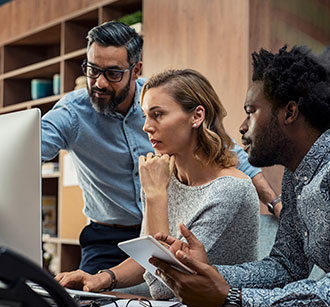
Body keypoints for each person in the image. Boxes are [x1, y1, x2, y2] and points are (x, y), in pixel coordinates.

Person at [42, 21, 280, 275]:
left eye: (112, 73)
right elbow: (25, 152)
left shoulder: (161, 98)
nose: (99, 83)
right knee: (87, 304)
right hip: (107, 237)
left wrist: (275, 202)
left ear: (135, 70)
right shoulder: (72, 114)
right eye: (92, 70)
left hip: (168, 228)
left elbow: (232, 154)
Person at [151, 45, 330, 307]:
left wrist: (233, 299)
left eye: (251, 112)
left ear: (289, 112)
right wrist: (208, 272)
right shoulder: (295, 177)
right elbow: (286, 267)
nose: (243, 127)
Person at [55, 69, 260, 299]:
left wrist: (155, 195)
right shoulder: (163, 175)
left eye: (158, 114)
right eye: (145, 116)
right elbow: (147, 257)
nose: (146, 127)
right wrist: (103, 278)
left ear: (197, 116)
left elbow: (163, 286)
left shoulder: (230, 189)